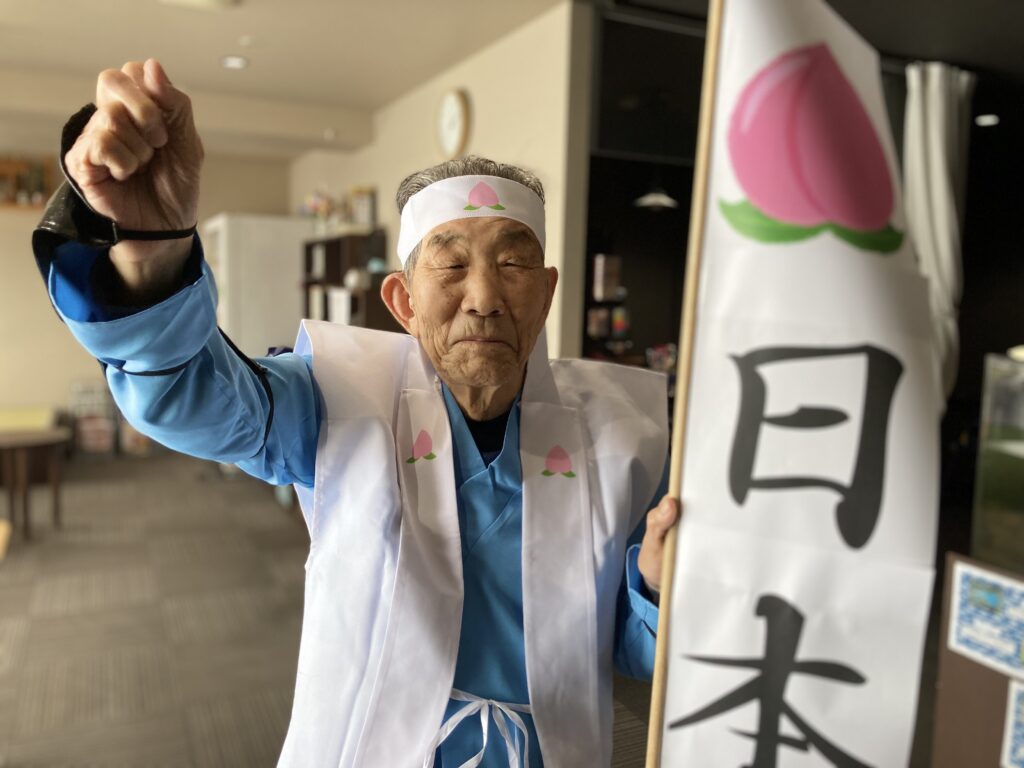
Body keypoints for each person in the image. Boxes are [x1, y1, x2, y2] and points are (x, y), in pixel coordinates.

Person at [33, 59, 681, 768]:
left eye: (514, 265)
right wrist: (154, 255)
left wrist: (655, 584)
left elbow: (629, 646)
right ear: (402, 301)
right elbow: (187, 397)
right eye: (451, 266)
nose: (485, 298)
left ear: (548, 291)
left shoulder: (625, 437)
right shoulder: (338, 397)